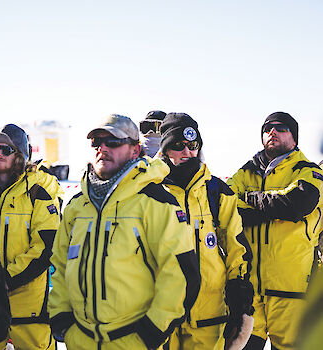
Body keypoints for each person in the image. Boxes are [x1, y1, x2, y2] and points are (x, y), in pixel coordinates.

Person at [48, 114, 201, 350]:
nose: (103, 148)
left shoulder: (156, 202)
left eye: (113, 141)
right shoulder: (77, 206)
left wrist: (150, 335)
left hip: (133, 341)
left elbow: (180, 274)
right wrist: (63, 322)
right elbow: (59, 266)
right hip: (80, 340)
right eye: (97, 142)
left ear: (135, 149)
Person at [227, 112, 323, 349]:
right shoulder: (245, 172)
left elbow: (296, 204)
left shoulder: (308, 171)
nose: (273, 131)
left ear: (294, 137)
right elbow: (226, 204)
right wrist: (271, 210)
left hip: (293, 295)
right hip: (250, 296)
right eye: (267, 128)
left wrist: (249, 198)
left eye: (281, 128)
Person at [159, 112, 254, 350]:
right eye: (178, 146)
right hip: (159, 317)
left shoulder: (217, 191)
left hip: (208, 316)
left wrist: (240, 298)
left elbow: (235, 246)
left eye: (193, 146)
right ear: (165, 150)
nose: (187, 153)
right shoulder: (149, 191)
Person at [0, 124, 62, 349]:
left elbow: (45, 247)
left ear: (20, 156)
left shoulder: (38, 195)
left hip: (28, 313)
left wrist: (5, 279)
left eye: (6, 149)